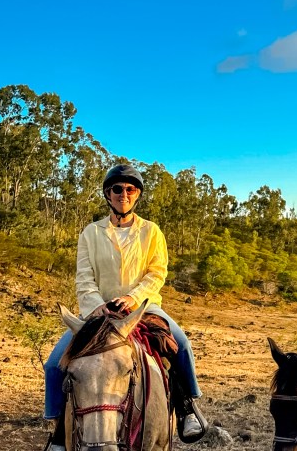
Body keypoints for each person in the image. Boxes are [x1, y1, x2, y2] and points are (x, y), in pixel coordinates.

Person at [43, 164, 206, 450]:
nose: (124, 194)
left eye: (130, 189)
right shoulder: (91, 233)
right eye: (117, 189)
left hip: (142, 309)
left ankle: (186, 408)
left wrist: (133, 298)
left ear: (137, 195)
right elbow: (84, 277)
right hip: (97, 314)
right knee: (55, 364)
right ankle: (58, 431)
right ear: (108, 194)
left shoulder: (152, 232)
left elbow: (157, 272)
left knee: (180, 345)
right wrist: (97, 307)